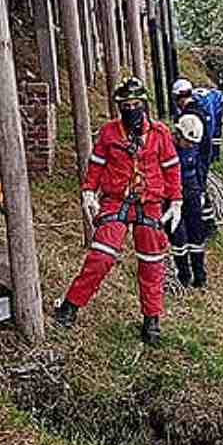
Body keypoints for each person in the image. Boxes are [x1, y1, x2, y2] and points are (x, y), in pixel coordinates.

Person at [54, 77, 182, 346]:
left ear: (144, 104)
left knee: (152, 264)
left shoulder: (160, 134)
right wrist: (88, 191)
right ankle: (70, 305)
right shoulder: (109, 133)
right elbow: (97, 164)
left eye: (136, 104)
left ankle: (152, 319)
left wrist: (177, 201)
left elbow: (171, 169)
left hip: (150, 204)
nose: (131, 109)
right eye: (125, 105)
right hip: (115, 201)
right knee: (100, 257)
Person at [172, 78, 223, 231]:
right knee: (200, 187)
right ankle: (207, 223)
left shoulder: (190, 118)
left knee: (198, 187)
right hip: (203, 154)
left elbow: (200, 144)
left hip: (199, 157)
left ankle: (205, 225)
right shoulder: (201, 107)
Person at [169, 113, 210, 288]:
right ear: (177, 134)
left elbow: (200, 169)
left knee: (196, 235)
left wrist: (201, 193)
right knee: (179, 237)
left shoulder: (194, 148)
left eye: (193, 143)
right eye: (187, 141)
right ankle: (183, 275)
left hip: (192, 191)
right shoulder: (167, 147)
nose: (190, 145)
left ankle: (199, 275)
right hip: (171, 194)